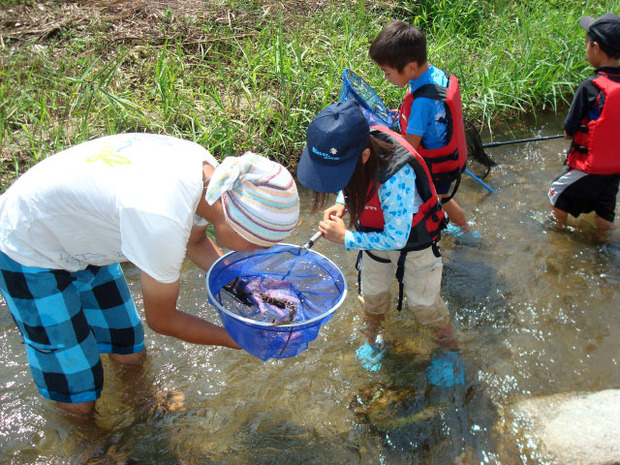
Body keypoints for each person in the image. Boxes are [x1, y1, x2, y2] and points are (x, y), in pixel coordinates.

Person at [0, 133, 300, 416]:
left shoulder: (216, 179)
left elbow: (195, 242)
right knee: (77, 388)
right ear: (234, 222)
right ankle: (89, 446)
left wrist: (243, 286)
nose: (255, 254)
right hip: (28, 245)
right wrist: (242, 339)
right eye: (258, 244)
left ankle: (139, 402)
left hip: (82, 233)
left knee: (128, 346)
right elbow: (163, 321)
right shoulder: (161, 221)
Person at [297, 100, 454, 371]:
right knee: (372, 295)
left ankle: (448, 347)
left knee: (425, 306)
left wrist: (346, 238)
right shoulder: (355, 151)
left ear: (365, 157)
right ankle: (372, 339)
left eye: (338, 173)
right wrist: (341, 202)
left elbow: (397, 238)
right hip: (372, 239)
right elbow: (349, 180)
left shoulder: (395, 177)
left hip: (414, 244)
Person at [368, 20, 473, 237]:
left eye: (387, 73)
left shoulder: (423, 103)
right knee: (442, 198)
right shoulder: (432, 75)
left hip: (437, 166)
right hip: (446, 156)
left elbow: (409, 147)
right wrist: (401, 116)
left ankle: (466, 232)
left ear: (411, 67)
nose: (385, 78)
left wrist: (383, 141)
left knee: (439, 200)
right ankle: (462, 228)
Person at [548, 13, 620, 240]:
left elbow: (570, 128)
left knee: (556, 194)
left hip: (588, 165)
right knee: (605, 212)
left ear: (596, 48)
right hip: (615, 169)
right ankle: (604, 245)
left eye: (587, 43)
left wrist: (569, 132)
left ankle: (558, 236)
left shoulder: (589, 86)